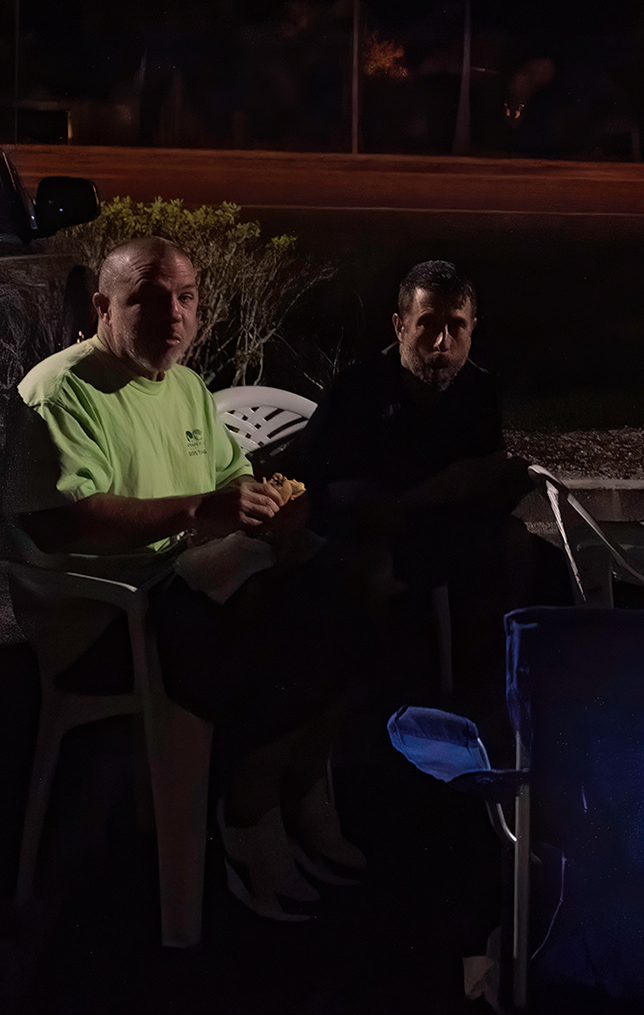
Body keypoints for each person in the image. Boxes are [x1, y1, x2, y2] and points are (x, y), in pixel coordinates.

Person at [3, 237, 386, 922]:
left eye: (185, 298)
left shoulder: (184, 386)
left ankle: (281, 788)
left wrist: (272, 508)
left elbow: (230, 478)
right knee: (283, 612)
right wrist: (199, 511)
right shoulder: (57, 391)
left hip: (184, 596)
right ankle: (249, 808)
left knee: (350, 584)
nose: (173, 315)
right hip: (103, 622)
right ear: (102, 306)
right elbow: (59, 523)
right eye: (148, 298)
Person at [301, 260, 569, 693]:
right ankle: (383, 706)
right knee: (376, 574)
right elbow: (331, 491)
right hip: (369, 530)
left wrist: (501, 483)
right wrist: (432, 492)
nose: (442, 342)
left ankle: (511, 692)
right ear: (400, 326)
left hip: (444, 524)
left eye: (457, 326)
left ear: (473, 327)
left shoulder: (477, 389)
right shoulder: (360, 389)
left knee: (533, 554)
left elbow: (480, 481)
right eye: (427, 325)